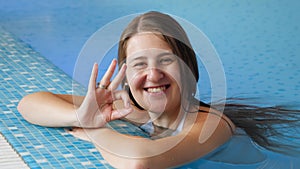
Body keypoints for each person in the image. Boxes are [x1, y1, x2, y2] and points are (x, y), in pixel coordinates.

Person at [17, 11, 299, 168]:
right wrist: (80, 116)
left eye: (166, 60)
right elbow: (29, 104)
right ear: (127, 76)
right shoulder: (134, 110)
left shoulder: (211, 124)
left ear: (188, 67)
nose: (153, 74)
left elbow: (142, 162)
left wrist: (96, 131)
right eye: (140, 64)